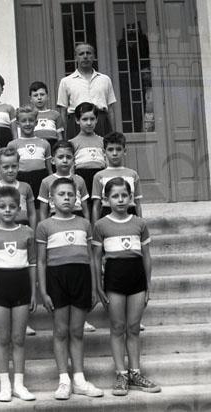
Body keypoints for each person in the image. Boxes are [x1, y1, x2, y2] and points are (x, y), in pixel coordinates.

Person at [36, 177, 104, 400]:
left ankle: (79, 379)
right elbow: (41, 261)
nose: (66, 198)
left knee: (77, 331)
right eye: (61, 194)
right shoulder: (44, 226)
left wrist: (94, 288)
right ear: (52, 199)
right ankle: (63, 379)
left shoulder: (85, 224)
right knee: (60, 331)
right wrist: (43, 291)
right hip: (56, 280)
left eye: (70, 194)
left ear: (76, 198)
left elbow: (91, 258)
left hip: (81, 278)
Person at [92, 177, 161, 397]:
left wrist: (148, 284)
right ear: (106, 199)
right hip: (114, 281)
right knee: (117, 327)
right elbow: (95, 258)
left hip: (137, 280)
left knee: (133, 328)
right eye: (115, 196)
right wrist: (98, 286)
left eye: (124, 195)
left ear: (131, 197)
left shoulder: (139, 223)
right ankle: (121, 374)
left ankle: (135, 374)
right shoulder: (101, 225)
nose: (120, 200)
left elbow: (147, 256)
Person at [0, 186, 37, 402]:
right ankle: (5, 385)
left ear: (19, 209)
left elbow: (32, 263)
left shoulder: (27, 232)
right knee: (3, 339)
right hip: (0, 287)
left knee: (19, 338)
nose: (7, 210)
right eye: (2, 207)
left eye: (12, 207)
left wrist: (33, 293)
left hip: (21, 285)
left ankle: (19, 385)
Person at [57, 43, 117, 139]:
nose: (85, 56)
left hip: (101, 122)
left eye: (88, 53)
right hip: (76, 123)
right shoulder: (66, 81)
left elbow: (110, 109)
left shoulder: (105, 79)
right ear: (76, 57)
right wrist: (65, 135)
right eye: (81, 54)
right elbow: (62, 111)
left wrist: (113, 134)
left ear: (94, 56)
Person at [7, 105, 52, 207]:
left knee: (40, 208)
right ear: (18, 123)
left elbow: (49, 170)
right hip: (21, 179)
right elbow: (11, 168)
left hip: (41, 180)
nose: (27, 124)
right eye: (23, 121)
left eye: (31, 120)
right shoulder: (12, 144)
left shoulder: (44, 143)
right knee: (22, 208)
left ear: (36, 122)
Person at [92, 132, 143, 220]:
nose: (115, 153)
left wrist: (141, 223)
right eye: (110, 149)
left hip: (130, 215)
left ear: (125, 151)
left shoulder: (133, 175)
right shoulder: (99, 176)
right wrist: (95, 226)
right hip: (107, 216)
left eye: (118, 149)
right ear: (104, 152)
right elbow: (96, 206)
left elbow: (137, 203)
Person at [38, 141, 91, 221]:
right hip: (55, 219)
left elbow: (85, 209)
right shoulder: (46, 182)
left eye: (68, 157)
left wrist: (87, 224)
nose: (65, 160)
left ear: (73, 160)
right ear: (53, 160)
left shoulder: (79, 180)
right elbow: (43, 212)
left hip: (78, 218)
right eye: (60, 157)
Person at [0, 148, 36, 229]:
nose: (10, 170)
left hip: (22, 229)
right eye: (6, 167)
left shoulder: (26, 187)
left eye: (14, 166)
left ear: (18, 166)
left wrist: (33, 232)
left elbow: (32, 213)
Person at [69, 102, 106, 204]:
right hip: (81, 178)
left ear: (97, 119)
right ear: (77, 120)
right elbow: (71, 167)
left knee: (99, 205)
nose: (89, 123)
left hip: (100, 178)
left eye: (92, 119)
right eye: (85, 119)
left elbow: (106, 163)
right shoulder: (72, 143)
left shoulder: (103, 141)